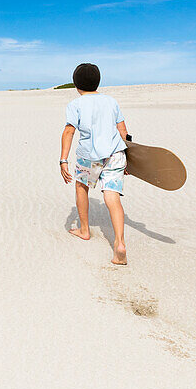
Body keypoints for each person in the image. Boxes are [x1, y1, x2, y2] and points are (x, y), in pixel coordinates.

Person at [59, 63, 129, 265]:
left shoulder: (75, 104)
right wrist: (129, 157)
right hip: (116, 154)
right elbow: (123, 130)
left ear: (76, 84)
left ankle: (84, 229)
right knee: (112, 195)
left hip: (89, 157)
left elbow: (69, 132)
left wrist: (63, 160)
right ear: (98, 82)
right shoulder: (111, 101)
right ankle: (120, 243)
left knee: (82, 187)